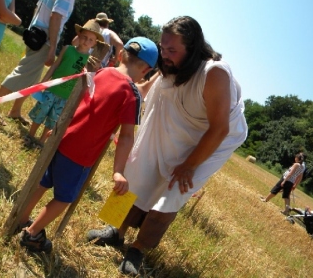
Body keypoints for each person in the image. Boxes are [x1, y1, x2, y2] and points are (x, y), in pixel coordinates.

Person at [87, 16, 248, 276]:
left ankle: (138, 249)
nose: (165, 54)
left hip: (213, 137)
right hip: (174, 117)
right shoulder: (171, 63)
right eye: (163, 48)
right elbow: (144, 90)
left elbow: (219, 128)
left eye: (172, 50)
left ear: (193, 48)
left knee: (173, 188)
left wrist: (189, 165)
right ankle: (116, 230)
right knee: (138, 167)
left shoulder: (215, 73)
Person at [17, 36, 158, 253]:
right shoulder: (132, 94)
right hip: (81, 155)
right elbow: (127, 136)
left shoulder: (102, 73)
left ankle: (22, 217)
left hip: (62, 138)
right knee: (64, 198)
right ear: (146, 70)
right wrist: (118, 171)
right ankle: (32, 233)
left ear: (120, 55)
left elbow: (80, 98)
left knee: (43, 183)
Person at [0, 0, 78, 126]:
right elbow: (56, 16)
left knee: (32, 78)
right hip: (44, 38)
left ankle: (15, 111)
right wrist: (52, 46)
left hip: (36, 34)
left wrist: (32, 30)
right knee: (22, 73)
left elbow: (38, 7)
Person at [25, 19, 103, 148]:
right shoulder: (67, 49)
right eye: (84, 37)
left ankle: (41, 142)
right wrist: (44, 81)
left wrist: (95, 68)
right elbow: (55, 65)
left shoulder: (89, 61)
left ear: (94, 43)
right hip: (52, 90)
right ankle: (30, 136)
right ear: (78, 35)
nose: (86, 41)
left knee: (52, 120)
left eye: (90, 39)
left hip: (67, 97)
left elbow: (89, 80)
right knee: (40, 112)